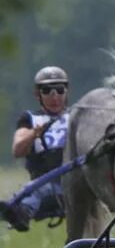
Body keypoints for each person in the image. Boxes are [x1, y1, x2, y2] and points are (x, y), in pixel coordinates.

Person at [0, 66, 71, 231]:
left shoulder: (76, 117)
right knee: (38, 189)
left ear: (67, 92)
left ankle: (20, 210)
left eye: (60, 90)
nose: (55, 96)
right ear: (37, 94)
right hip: (44, 184)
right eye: (47, 90)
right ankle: (20, 213)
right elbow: (17, 150)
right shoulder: (29, 119)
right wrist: (34, 134)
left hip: (74, 181)